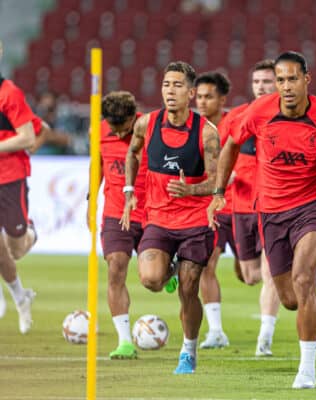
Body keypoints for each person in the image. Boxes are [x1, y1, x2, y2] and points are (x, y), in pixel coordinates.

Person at [208, 51, 316, 389]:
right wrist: (219, 190)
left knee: (303, 282)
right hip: (271, 212)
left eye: (292, 79)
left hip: (309, 209)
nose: (286, 87)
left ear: (307, 79)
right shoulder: (260, 110)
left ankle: (307, 369)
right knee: (289, 298)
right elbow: (231, 146)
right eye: (281, 80)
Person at [122, 61, 221, 374]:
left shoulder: (206, 133)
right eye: (167, 84)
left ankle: (188, 351)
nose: (170, 90)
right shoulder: (146, 124)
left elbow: (218, 183)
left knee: (189, 289)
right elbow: (132, 153)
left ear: (191, 93)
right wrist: (128, 190)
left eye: (178, 85)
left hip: (195, 223)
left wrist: (191, 190)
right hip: (159, 220)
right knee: (151, 279)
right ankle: (171, 269)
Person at [220, 59, 282, 356]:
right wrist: (221, 177)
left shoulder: (287, 117)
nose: (261, 87)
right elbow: (217, 153)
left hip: (273, 206)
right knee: (251, 276)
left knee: (271, 274)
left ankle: (264, 339)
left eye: (267, 82)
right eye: (257, 82)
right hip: (241, 206)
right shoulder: (237, 117)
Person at [89, 91, 146, 359]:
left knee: (153, 279)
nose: (117, 132)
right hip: (115, 212)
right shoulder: (100, 131)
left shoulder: (150, 129)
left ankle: (168, 270)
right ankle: (125, 341)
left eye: (121, 127)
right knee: (115, 268)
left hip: (151, 213)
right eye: (112, 127)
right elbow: (97, 165)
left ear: (133, 118)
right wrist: (91, 200)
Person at [193, 71, 237, 349]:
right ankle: (216, 331)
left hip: (245, 206)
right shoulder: (192, 127)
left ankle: (245, 262)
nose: (202, 102)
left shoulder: (238, 123)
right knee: (206, 266)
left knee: (252, 275)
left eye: (208, 96)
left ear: (222, 99)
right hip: (214, 209)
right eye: (198, 96)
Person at [0, 39, 38, 334]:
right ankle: (14, 297)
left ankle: (29, 232)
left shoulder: (9, 94)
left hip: (9, 177)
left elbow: (27, 137)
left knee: (14, 247)